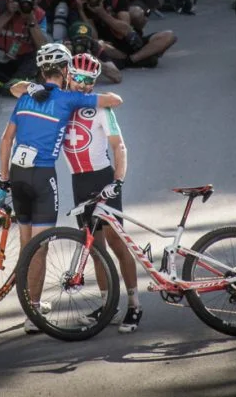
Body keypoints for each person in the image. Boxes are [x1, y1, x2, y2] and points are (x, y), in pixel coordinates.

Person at [0, 43, 123, 333]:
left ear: (41, 71)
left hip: (17, 175)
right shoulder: (68, 99)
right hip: (42, 177)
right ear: (66, 70)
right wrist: (88, 92)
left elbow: (5, 139)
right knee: (39, 249)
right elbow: (114, 100)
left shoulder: (25, 98)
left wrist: (4, 175)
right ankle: (32, 317)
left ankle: (30, 308)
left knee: (25, 245)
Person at [61, 54, 142, 331]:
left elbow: (119, 146)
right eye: (78, 77)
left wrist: (118, 180)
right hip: (78, 182)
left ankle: (134, 305)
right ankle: (108, 305)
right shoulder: (59, 103)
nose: (83, 85)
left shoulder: (100, 107)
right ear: (67, 75)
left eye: (89, 80)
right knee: (94, 248)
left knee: (117, 244)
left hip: (102, 178)